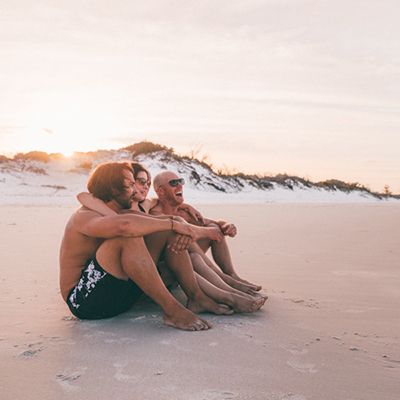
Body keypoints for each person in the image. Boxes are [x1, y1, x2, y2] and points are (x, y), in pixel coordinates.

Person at [60, 161, 233, 332]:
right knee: (127, 237)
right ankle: (173, 311)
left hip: (120, 297)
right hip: (85, 302)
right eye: (130, 185)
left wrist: (178, 225)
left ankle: (196, 297)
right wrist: (175, 225)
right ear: (113, 189)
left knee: (163, 230)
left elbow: (154, 220)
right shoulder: (84, 216)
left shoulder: (122, 212)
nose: (135, 191)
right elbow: (124, 226)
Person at [77, 162, 266, 313]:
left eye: (146, 183)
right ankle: (225, 290)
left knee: (185, 233)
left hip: (137, 268)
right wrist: (184, 227)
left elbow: (163, 209)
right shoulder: (111, 208)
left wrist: (187, 215)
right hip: (123, 273)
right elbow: (85, 196)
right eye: (138, 181)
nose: (143, 187)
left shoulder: (145, 204)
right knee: (175, 237)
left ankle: (225, 282)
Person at [150, 170, 262, 294]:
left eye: (181, 181)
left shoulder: (184, 212)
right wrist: (208, 231)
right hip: (166, 274)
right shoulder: (154, 214)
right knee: (184, 234)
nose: (180, 185)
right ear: (160, 191)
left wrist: (226, 225)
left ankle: (231, 275)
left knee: (213, 227)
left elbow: (210, 223)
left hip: (191, 267)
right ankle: (224, 279)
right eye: (174, 183)